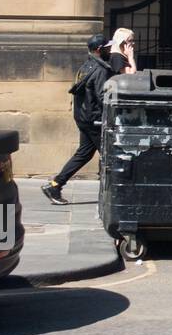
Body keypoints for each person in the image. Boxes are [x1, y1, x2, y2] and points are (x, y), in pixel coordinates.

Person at [42, 33, 127, 206]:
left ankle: (55, 185)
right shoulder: (101, 70)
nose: (110, 50)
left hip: (83, 118)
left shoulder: (86, 66)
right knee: (111, 154)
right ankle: (118, 194)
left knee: (84, 153)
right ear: (98, 50)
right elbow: (103, 98)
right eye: (107, 48)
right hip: (94, 120)